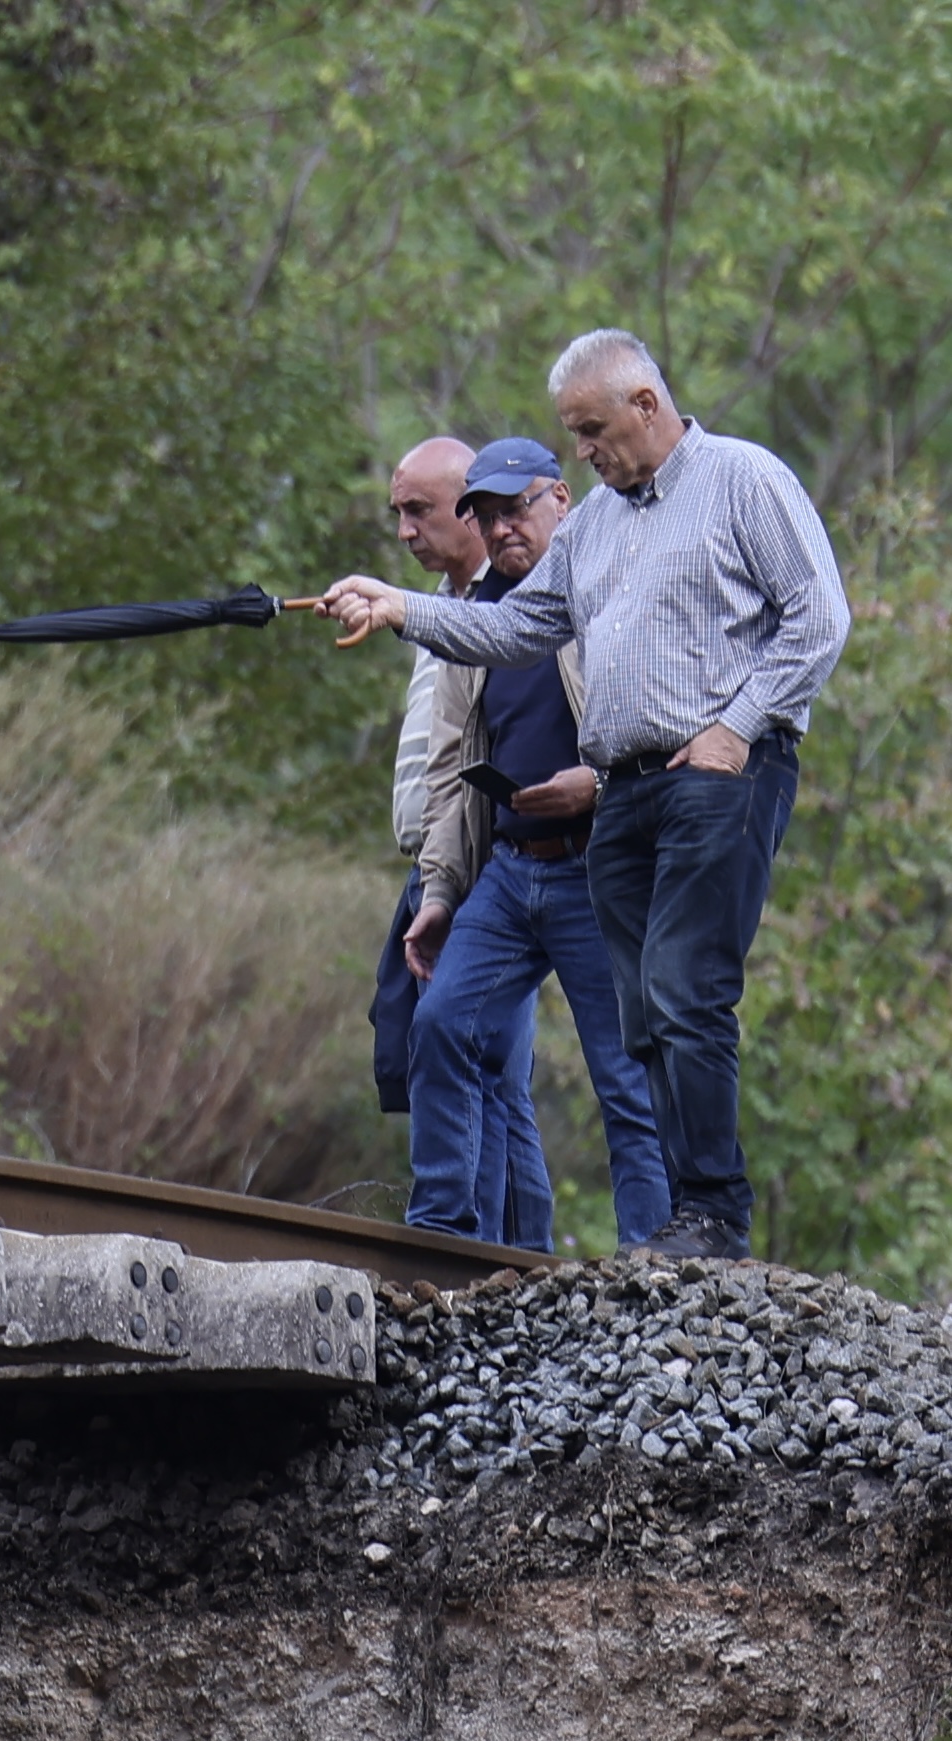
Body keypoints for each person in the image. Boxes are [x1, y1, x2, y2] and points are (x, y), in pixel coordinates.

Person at [323, 330, 849, 1260]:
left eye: (593, 429)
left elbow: (819, 616)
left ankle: (713, 1216)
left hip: (719, 772)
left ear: (646, 404)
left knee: (687, 990)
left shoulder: (743, 479)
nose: (585, 452)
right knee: (643, 1017)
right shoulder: (598, 524)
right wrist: (402, 607)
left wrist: (737, 727)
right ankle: (683, 1218)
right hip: (628, 792)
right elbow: (520, 624)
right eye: (574, 435)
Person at [401, 437, 670, 1248]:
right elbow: (450, 767)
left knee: (625, 1074)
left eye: (516, 507)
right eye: (486, 513)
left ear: (560, 497)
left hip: (598, 867)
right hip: (511, 870)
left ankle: (657, 1258)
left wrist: (596, 784)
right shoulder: (475, 617)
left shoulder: (611, 586)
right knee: (442, 1023)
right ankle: (444, 1234)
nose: (502, 526)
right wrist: (442, 891)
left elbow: (671, 727)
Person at [368, 438, 546, 1245]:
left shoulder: (515, 609)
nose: (405, 530)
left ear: (470, 515)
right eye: (398, 512)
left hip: (491, 860)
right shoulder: (443, 603)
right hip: (438, 862)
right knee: (434, 1046)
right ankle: (471, 1245)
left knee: (485, 1066)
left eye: (421, 510)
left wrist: (454, 874)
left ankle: (493, 1256)